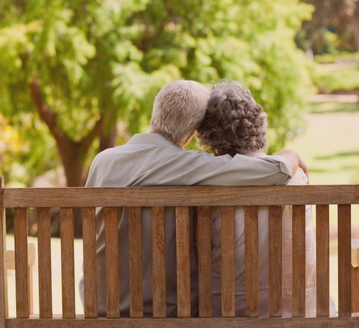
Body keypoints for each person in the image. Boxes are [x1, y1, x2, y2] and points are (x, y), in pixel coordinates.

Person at [80, 79, 308, 317]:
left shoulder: (102, 161)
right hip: (165, 311)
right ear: (189, 136)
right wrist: (290, 155)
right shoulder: (186, 166)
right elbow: (277, 171)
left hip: (99, 308)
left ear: (154, 114)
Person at [196, 80, 337, 317]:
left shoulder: (208, 185)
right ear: (258, 123)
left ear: (208, 136)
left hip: (230, 313)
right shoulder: (297, 176)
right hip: (303, 312)